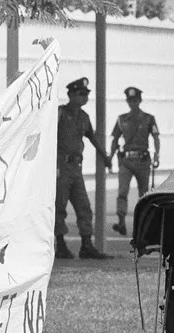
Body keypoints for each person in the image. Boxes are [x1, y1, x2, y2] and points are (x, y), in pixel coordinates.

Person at [54, 77, 111, 260]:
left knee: (84, 206)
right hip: (61, 166)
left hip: (76, 168)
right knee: (59, 206)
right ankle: (60, 244)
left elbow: (92, 137)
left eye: (86, 94)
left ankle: (86, 245)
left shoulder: (83, 117)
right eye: (81, 94)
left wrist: (105, 156)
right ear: (70, 95)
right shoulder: (60, 113)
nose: (84, 98)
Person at [109, 86, 160, 236]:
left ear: (139, 100)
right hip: (126, 161)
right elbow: (115, 139)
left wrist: (157, 155)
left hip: (143, 160)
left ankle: (143, 225)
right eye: (130, 100)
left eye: (135, 100)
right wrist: (110, 158)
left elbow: (156, 137)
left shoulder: (148, 118)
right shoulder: (121, 119)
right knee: (122, 191)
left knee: (144, 194)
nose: (133, 103)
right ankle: (121, 222)